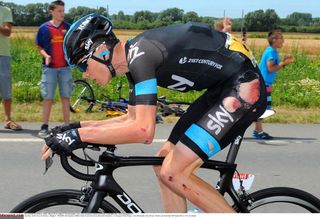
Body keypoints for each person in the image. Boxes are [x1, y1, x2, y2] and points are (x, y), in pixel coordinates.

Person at [41, 14, 267, 213]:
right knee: (161, 165)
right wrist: (74, 128)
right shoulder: (134, 62)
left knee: (173, 171)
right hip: (221, 89)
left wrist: (76, 138)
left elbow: (143, 131)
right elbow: (130, 119)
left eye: (82, 66)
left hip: (243, 89)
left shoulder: (142, 56)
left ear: (101, 51)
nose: (86, 75)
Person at [35, 0, 72, 138]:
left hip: (65, 69)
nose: (62, 14)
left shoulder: (68, 28)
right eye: (59, 11)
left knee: (65, 97)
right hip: (49, 69)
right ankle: (44, 126)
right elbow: (39, 46)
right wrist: (46, 56)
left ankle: (67, 125)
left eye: (63, 11)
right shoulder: (43, 28)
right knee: (48, 98)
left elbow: (74, 46)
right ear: (51, 11)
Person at [252, 29, 294, 139]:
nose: (283, 41)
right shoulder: (270, 51)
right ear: (274, 40)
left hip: (266, 83)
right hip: (263, 84)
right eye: (281, 38)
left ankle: (258, 130)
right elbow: (270, 68)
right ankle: (258, 131)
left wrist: (283, 64)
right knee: (263, 108)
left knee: (263, 108)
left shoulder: (274, 51)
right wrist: (283, 63)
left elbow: (274, 68)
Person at [0, 4, 22, 131]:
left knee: (6, 90)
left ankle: (8, 120)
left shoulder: (5, 10)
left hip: (3, 55)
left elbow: (8, 32)